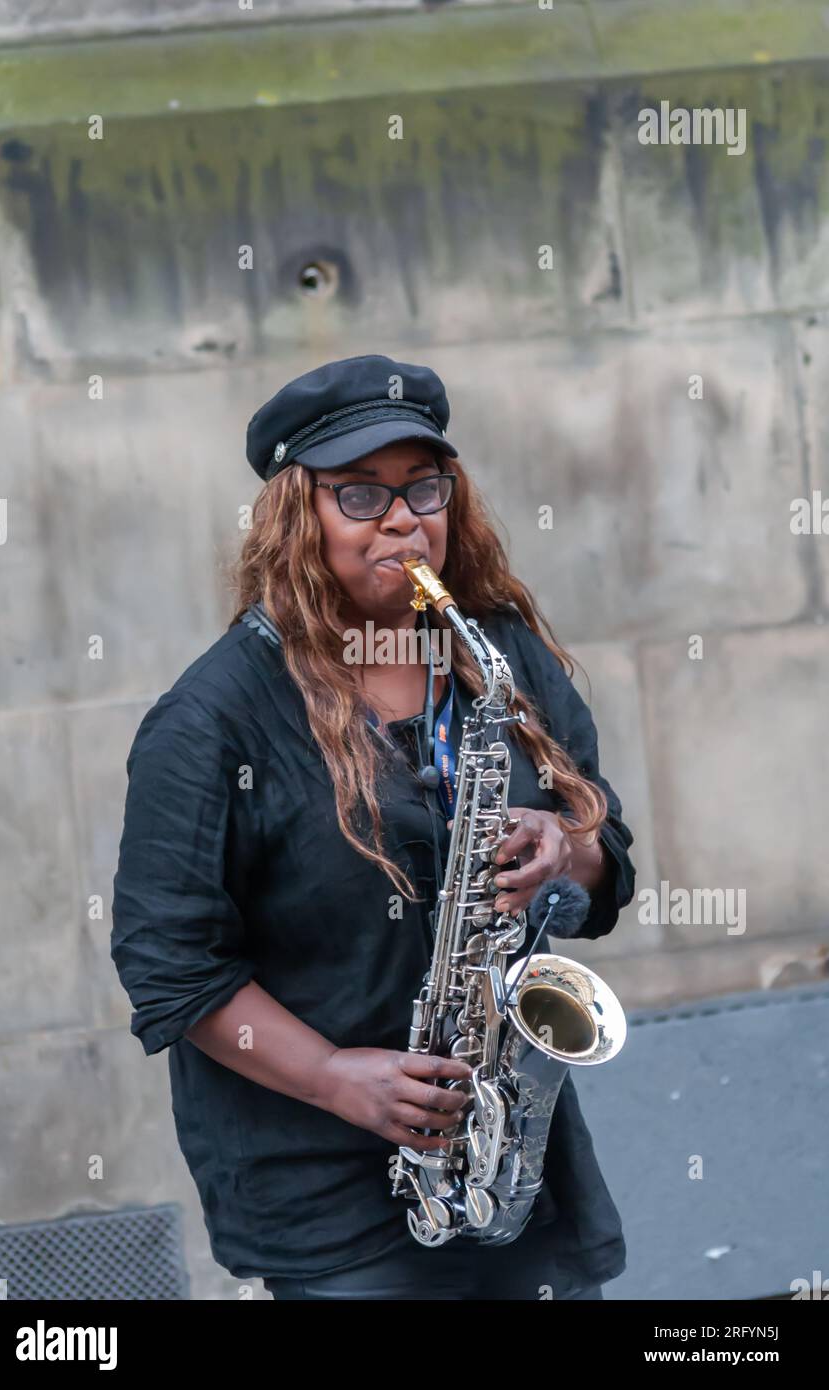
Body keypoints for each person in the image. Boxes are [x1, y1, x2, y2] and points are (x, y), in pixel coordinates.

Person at [110, 354, 636, 1301]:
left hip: (511, 1167)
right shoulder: (212, 718)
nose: (404, 521)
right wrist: (335, 1077)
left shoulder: (498, 655)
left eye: (421, 489)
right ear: (294, 517)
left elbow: (607, 866)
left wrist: (570, 849)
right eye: (360, 495)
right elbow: (167, 968)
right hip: (327, 1204)